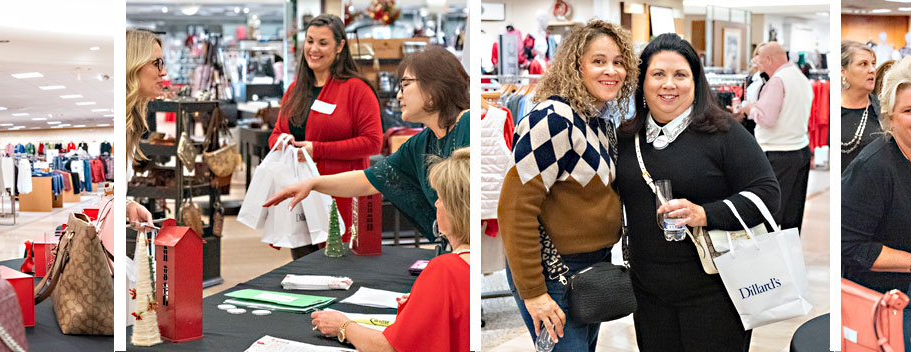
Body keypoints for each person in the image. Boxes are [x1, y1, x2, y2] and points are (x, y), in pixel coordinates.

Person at [615, 33, 781, 351]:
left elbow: (767, 195)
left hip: (716, 293)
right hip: (648, 296)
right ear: (642, 81)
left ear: (696, 81)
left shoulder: (723, 132)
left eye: (680, 75)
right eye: (658, 74)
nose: (669, 85)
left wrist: (703, 214)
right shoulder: (626, 137)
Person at [497, 20, 633, 351]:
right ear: (576, 65)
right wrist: (533, 292)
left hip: (590, 268)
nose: (611, 70)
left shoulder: (599, 121)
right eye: (598, 61)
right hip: (552, 272)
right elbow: (514, 210)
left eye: (618, 62)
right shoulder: (552, 119)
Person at [263, 47, 470, 252]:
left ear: (433, 90)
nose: (399, 95)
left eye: (405, 85)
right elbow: (369, 179)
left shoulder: (468, 125)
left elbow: (371, 143)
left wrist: (318, 156)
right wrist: (313, 183)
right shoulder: (421, 143)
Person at [841, 58, 911, 351]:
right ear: (890, 117)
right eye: (909, 111)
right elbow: (848, 245)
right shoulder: (872, 168)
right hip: (893, 302)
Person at [308, 148, 470, 352]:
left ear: (456, 209)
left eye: (440, 198)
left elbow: (390, 347)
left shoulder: (445, 270)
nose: (436, 204)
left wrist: (343, 326)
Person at [270, 14, 384, 259]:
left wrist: (318, 149)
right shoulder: (295, 89)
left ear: (340, 46)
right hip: (301, 197)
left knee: (339, 266)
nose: (313, 49)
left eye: (323, 43)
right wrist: (283, 143)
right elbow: (277, 133)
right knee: (302, 266)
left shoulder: (357, 90)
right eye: (310, 41)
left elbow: (373, 142)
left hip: (339, 198)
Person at [737, 41, 811, 230]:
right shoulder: (799, 77)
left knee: (769, 210)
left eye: (759, 59)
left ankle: (769, 255)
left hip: (778, 153)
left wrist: (749, 109)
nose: (757, 64)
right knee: (793, 213)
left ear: (769, 59)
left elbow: (767, 119)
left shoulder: (777, 81)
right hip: (800, 150)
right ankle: (789, 253)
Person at [125, 29, 166, 232]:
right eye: (156, 63)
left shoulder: (131, 122)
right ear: (134, 64)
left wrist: (127, 205)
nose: (163, 72)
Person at [838, 41, 882, 171]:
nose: (872, 70)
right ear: (843, 71)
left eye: (873, 64)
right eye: (863, 64)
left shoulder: (883, 109)